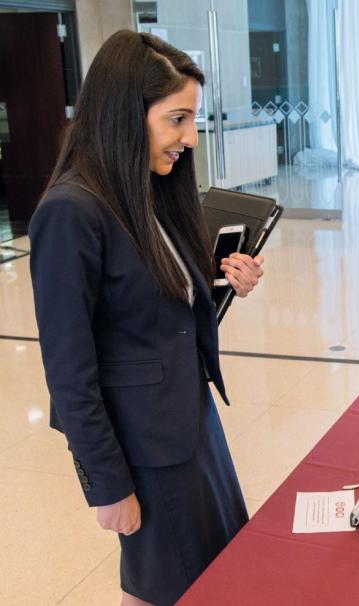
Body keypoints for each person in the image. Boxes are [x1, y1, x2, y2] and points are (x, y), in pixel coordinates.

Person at [29, 31, 265, 605]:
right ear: (123, 114)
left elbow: (148, 301)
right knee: (166, 585)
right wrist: (107, 486)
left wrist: (216, 279)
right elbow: (69, 370)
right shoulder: (71, 212)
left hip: (190, 421)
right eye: (177, 119)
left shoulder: (148, 190)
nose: (190, 138)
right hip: (146, 447)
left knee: (208, 571)